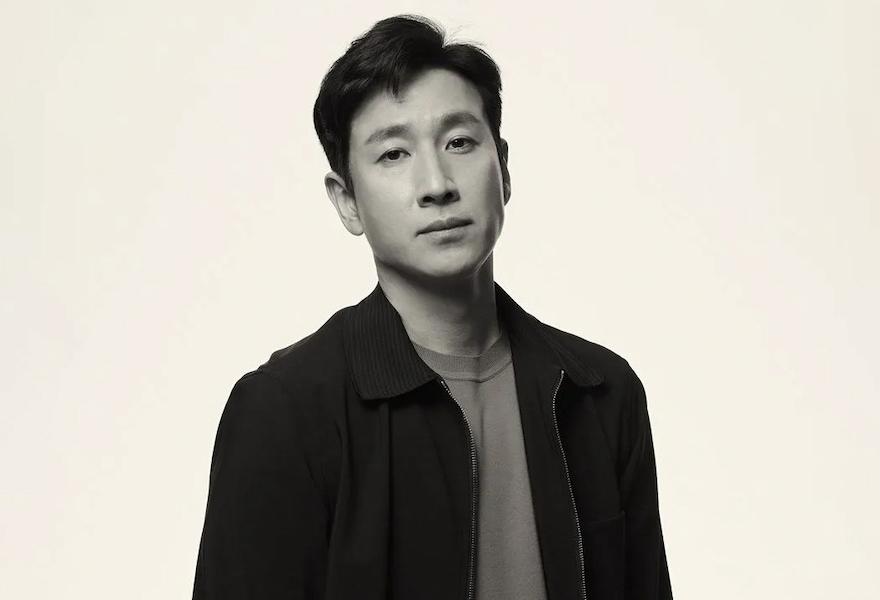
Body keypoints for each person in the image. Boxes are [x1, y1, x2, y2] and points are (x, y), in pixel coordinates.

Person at [192, 14, 673, 600]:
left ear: (504, 169)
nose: (437, 183)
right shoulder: (284, 413)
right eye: (394, 154)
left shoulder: (601, 393)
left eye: (459, 142)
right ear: (346, 201)